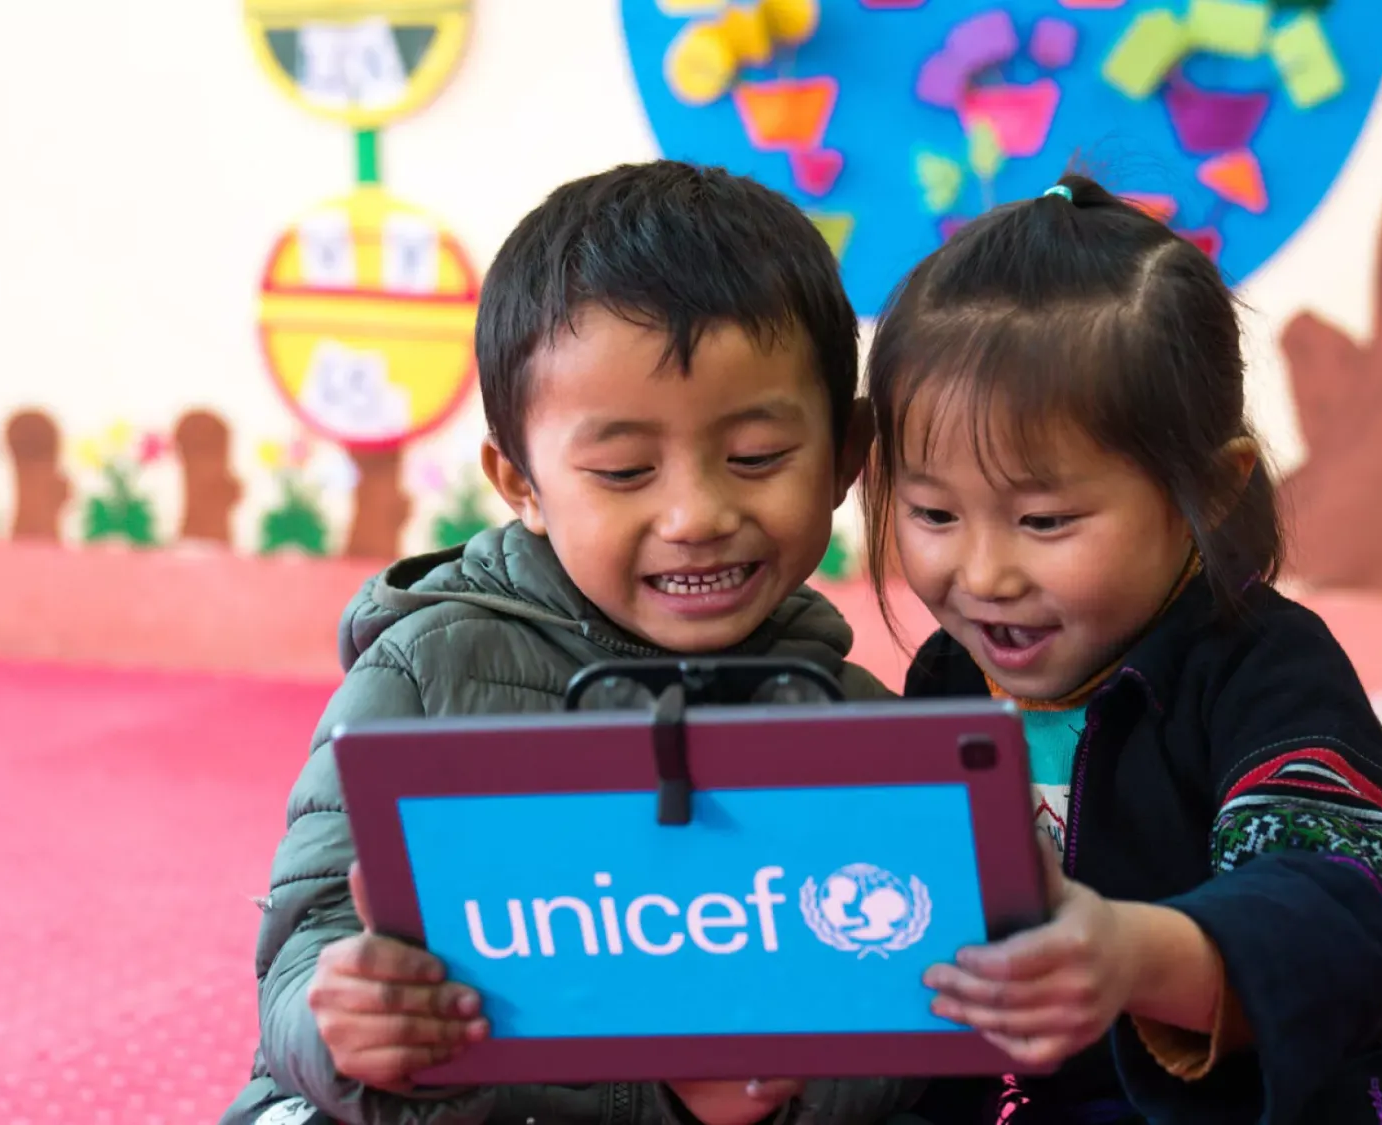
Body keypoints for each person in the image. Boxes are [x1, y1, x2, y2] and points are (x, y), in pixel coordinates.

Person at [220, 160, 922, 1125]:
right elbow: (302, 963)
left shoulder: (856, 725)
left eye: (757, 458)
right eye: (624, 469)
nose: (696, 514)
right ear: (520, 484)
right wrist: (345, 1012)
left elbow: (911, 1009)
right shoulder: (427, 672)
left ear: (846, 456)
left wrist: (779, 1094)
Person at [859, 176, 1382, 1125]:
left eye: (1045, 518)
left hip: (1336, 1089)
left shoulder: (1265, 668)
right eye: (934, 512)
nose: (983, 572)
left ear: (1214, 488)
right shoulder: (948, 678)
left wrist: (1134, 952)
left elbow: (1341, 900)